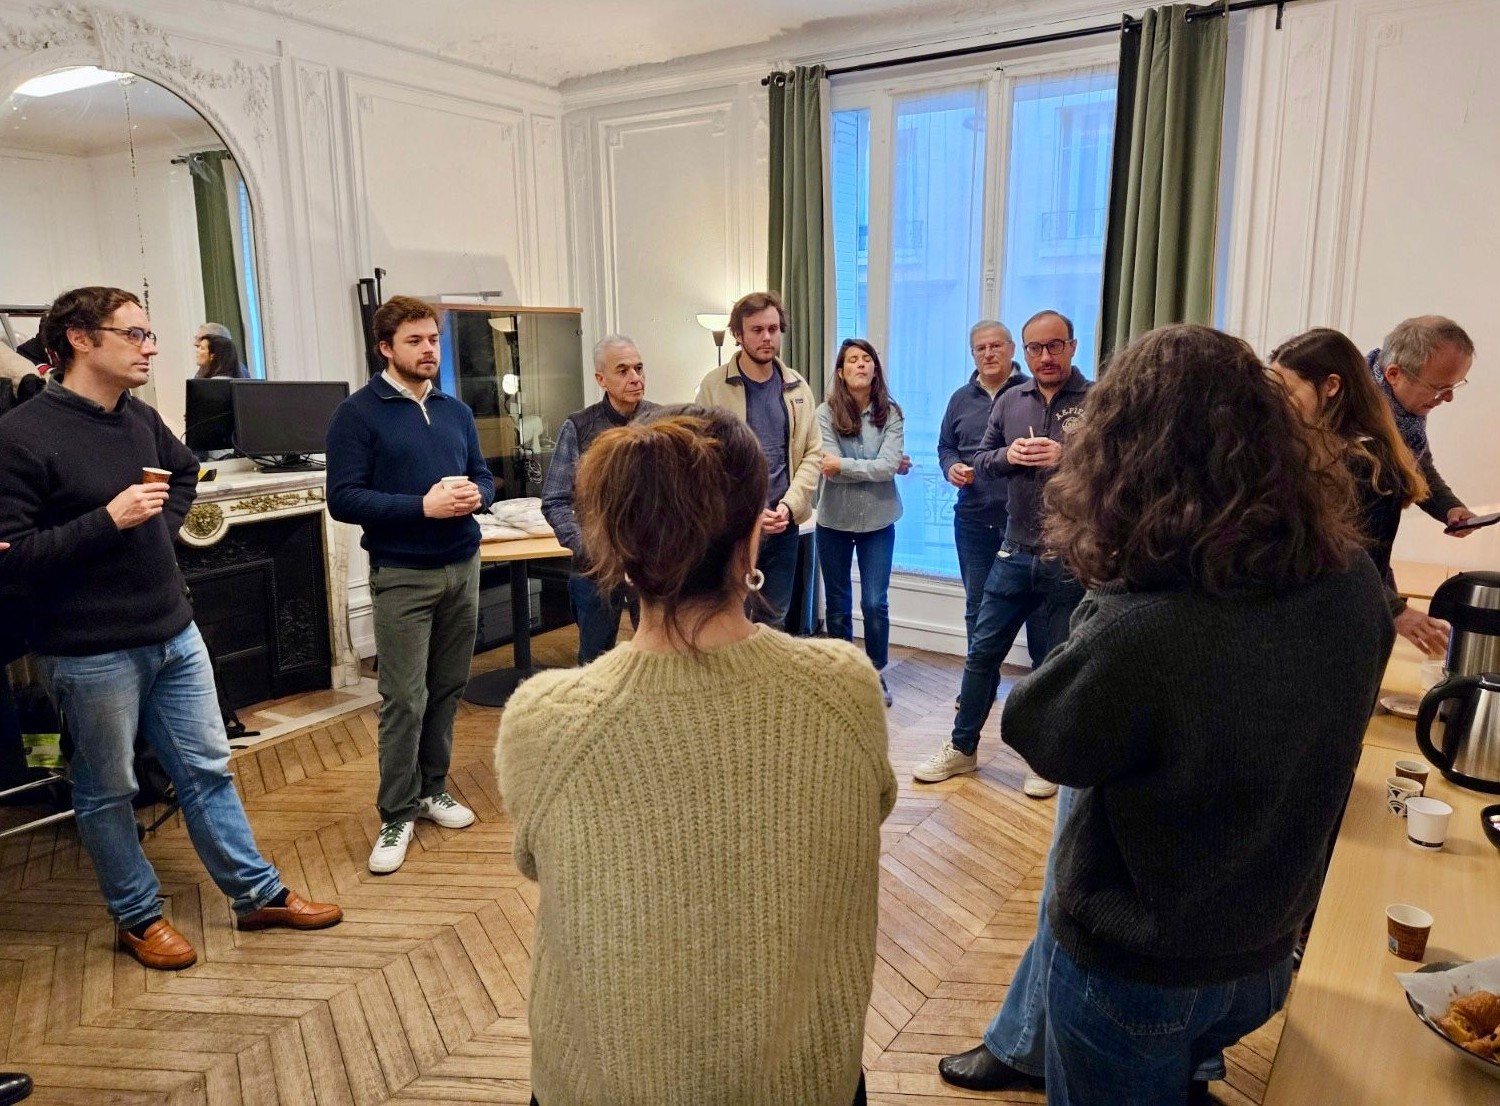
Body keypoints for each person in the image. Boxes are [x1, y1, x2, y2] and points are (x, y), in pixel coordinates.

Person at [1013, 324, 1390, 1105]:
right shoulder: (1354, 582)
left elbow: (1045, 733)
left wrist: (1115, 580)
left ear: (1124, 457)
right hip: (1266, 951)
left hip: (1140, 970)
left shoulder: (1148, 626)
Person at [496, 406, 895, 1106]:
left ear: (615, 546)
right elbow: (872, 809)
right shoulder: (845, 689)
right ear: (751, 538)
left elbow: (537, 864)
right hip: (802, 1082)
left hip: (608, 1083)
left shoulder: (545, 720)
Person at [0, 286, 342, 971]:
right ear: (80, 340)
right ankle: (137, 917)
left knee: (208, 769)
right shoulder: (21, 436)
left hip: (174, 634)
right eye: (134, 334)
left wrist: (157, 526)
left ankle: (256, 894)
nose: (151, 348)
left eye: (150, 334)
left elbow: (186, 472)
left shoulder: (139, 417)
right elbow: (12, 556)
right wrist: (109, 522)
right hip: (88, 651)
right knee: (108, 790)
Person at [326, 295, 495, 875]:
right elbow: (344, 499)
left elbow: (483, 474)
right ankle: (396, 812)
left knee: (448, 687)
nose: (429, 350)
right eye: (415, 341)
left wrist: (478, 496)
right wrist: (422, 506)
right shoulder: (356, 414)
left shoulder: (455, 410)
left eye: (433, 340)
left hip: (463, 566)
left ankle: (432, 789)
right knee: (404, 697)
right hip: (402, 573)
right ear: (385, 348)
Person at [913, 310, 1090, 795]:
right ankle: (962, 747)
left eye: (1054, 346)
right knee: (982, 652)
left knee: (1053, 662)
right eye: (1036, 348)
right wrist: (1009, 456)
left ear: (1072, 347)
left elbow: (1119, 468)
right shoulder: (1012, 400)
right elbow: (982, 460)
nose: (1045, 356)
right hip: (1013, 551)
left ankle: (1045, 760)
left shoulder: (1098, 402)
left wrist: (1067, 457)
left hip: (1067, 555)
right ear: (1025, 353)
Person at [1271, 328, 1450, 655]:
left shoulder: (1370, 466)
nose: (1276, 401)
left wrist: (1395, 609)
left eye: (1287, 390)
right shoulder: (1297, 448)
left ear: (1331, 386)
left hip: (1336, 635)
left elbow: (1361, 564)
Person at [694, 291, 822, 629]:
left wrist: (789, 506)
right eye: (757, 330)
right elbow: (704, 460)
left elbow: (813, 453)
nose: (767, 337)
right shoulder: (713, 387)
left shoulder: (797, 387)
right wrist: (749, 511)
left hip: (783, 524)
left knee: (774, 618)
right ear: (738, 334)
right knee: (726, 616)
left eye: (773, 329)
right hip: (732, 527)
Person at [541, 335, 658, 664]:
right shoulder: (579, 426)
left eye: (639, 368)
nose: (635, 378)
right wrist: (587, 549)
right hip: (595, 566)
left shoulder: (662, 422)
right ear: (601, 379)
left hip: (652, 563)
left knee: (658, 656)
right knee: (595, 660)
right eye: (623, 370)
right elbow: (554, 500)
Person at [936, 321, 1047, 665]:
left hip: (1028, 525)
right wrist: (951, 467)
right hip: (974, 521)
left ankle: (1042, 682)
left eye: (996, 346)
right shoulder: (960, 399)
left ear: (1012, 349)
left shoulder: (1032, 394)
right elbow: (946, 446)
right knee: (978, 606)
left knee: (1039, 612)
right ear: (973, 355)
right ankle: (981, 679)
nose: (988, 354)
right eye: (980, 348)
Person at [816, 339, 904, 706]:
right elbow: (829, 469)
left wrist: (845, 465)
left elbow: (888, 466)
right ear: (841, 372)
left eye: (867, 359)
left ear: (875, 370)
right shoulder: (824, 413)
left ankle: (875, 672)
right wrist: (868, 468)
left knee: (874, 602)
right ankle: (844, 675)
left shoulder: (891, 413)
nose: (861, 364)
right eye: (853, 360)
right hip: (833, 521)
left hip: (879, 521)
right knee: (837, 604)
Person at [1369, 316, 1476, 539]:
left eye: (1454, 386)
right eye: (1438, 388)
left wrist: (1450, 508)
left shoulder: (1407, 421)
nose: (1448, 398)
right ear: (1394, 374)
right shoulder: (1351, 417)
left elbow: (1418, 469)